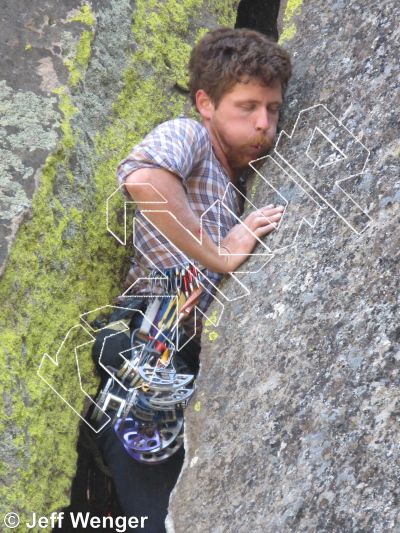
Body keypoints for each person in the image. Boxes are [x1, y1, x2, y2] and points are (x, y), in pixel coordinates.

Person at [96, 27, 292, 533]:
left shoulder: (238, 177)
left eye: (272, 108)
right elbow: (144, 179)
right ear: (205, 102)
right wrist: (221, 253)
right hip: (149, 342)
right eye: (247, 106)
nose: (264, 123)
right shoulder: (187, 133)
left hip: (183, 356)